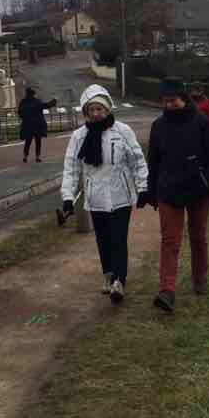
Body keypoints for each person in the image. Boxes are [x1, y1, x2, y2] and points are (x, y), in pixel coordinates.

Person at [140, 77, 209, 313]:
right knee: (170, 240)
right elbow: (153, 161)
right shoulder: (158, 126)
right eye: (165, 101)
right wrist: (151, 190)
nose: (169, 105)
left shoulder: (201, 122)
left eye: (173, 101)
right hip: (169, 189)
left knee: (198, 236)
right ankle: (167, 290)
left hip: (199, 189)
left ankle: (200, 279)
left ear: (184, 98)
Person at [61, 84, 148, 304]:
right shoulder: (79, 136)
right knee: (103, 239)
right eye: (92, 110)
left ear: (108, 109)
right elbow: (70, 167)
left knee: (119, 238)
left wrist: (143, 187)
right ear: (86, 112)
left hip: (121, 195)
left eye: (100, 109)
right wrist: (68, 197)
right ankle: (108, 275)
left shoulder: (122, 131)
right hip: (95, 197)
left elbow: (137, 160)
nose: (96, 114)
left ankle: (120, 281)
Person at [18, 86, 57, 163]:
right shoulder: (37, 101)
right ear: (33, 94)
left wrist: (25, 117)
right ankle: (37, 157)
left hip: (27, 124)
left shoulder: (23, 102)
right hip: (37, 124)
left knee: (28, 141)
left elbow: (20, 113)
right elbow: (46, 105)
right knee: (38, 140)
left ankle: (25, 156)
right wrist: (54, 100)